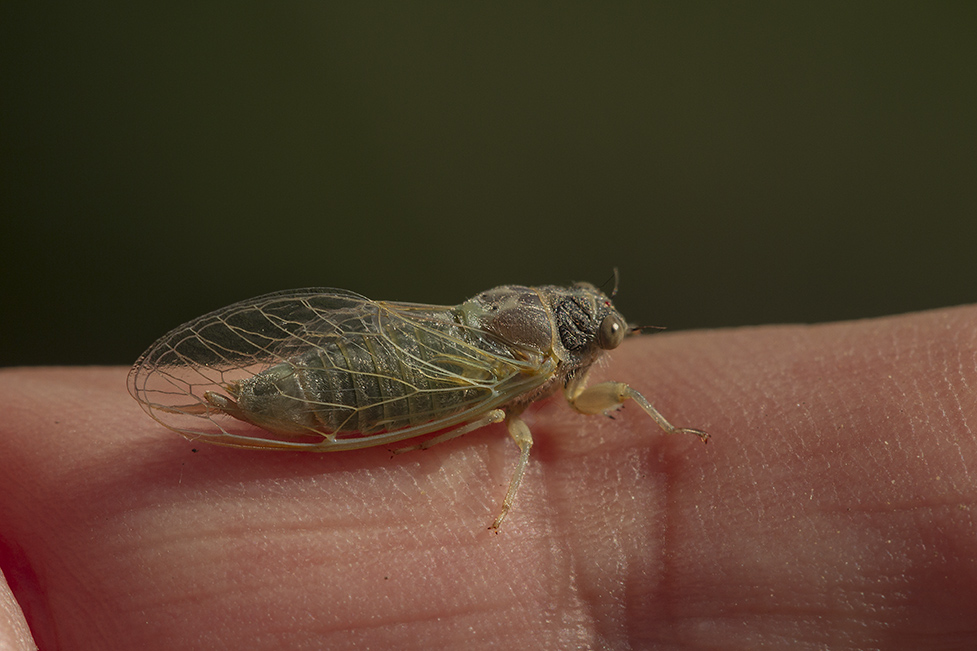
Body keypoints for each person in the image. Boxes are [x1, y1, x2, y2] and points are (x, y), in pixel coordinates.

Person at [2, 305, 976, 649]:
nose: (604, 348)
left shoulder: (544, 346)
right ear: (575, 344)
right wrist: (514, 491)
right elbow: (517, 428)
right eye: (597, 337)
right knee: (391, 412)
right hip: (374, 393)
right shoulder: (543, 374)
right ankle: (258, 400)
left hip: (424, 349)